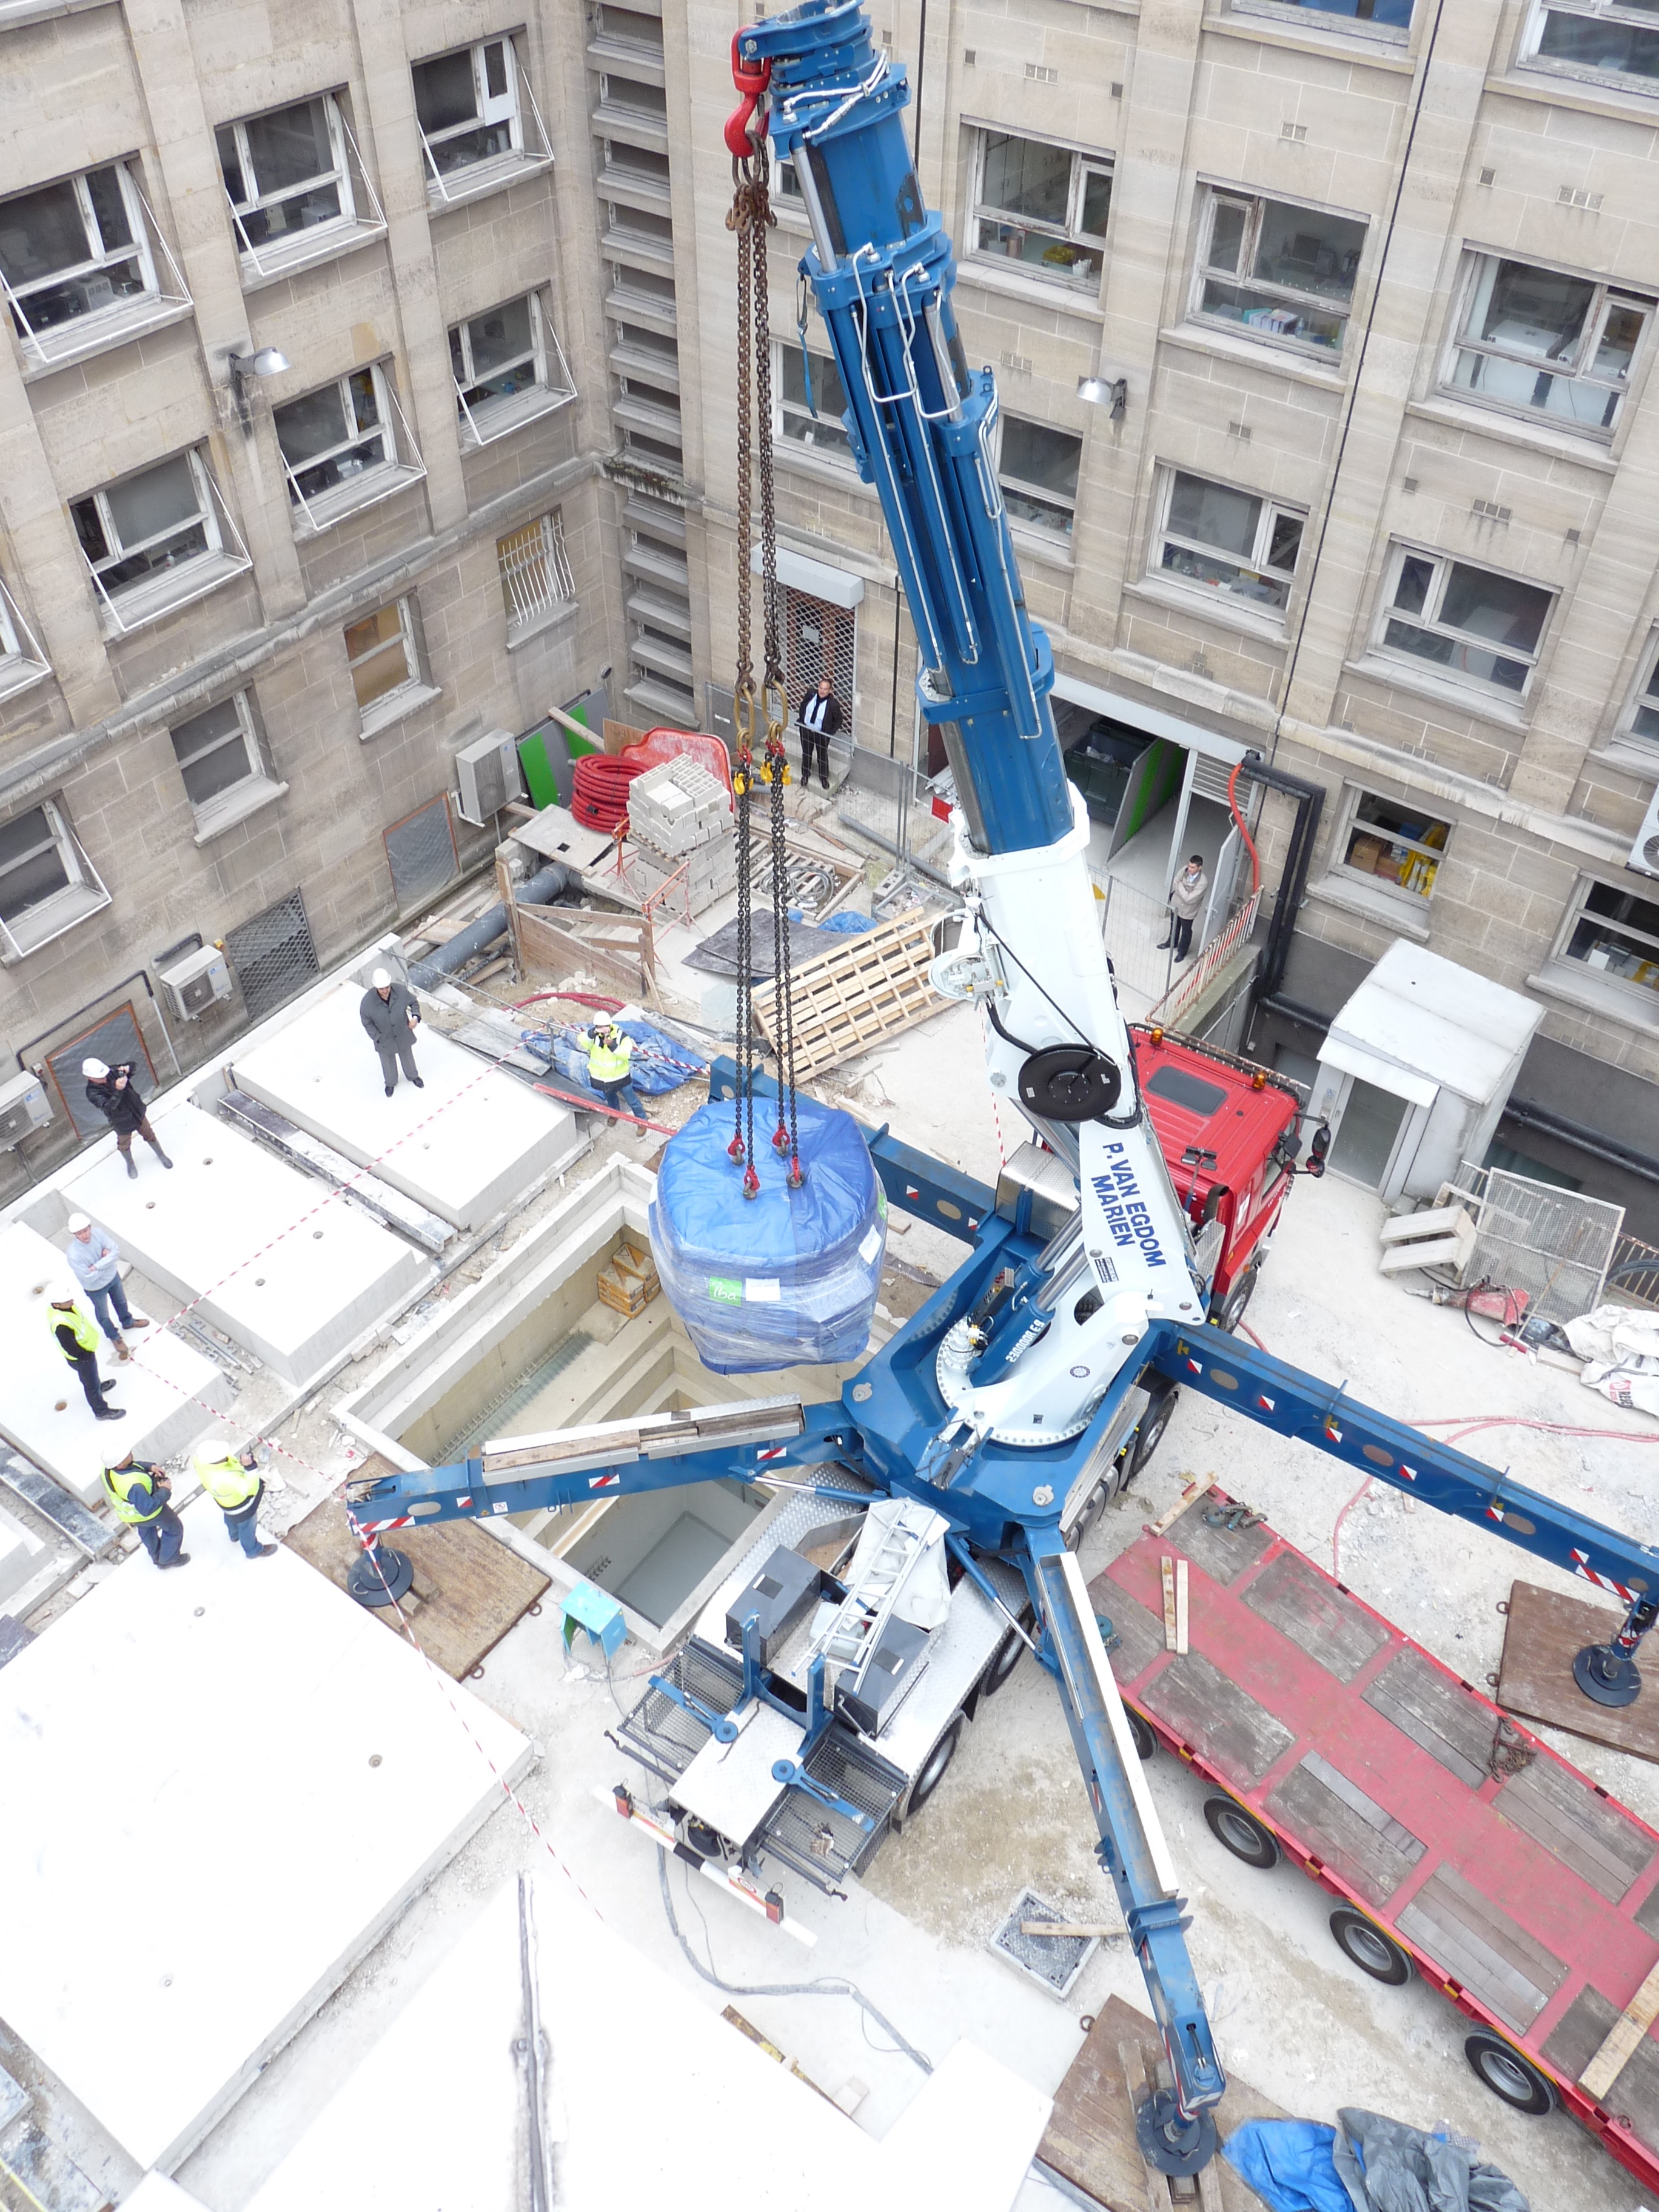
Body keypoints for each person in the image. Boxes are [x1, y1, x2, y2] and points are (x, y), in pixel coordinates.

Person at [65, 1212, 149, 1362]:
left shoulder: (98, 1234)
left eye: (85, 1231)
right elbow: (87, 1277)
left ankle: (128, 1322)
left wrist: (96, 1267)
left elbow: (115, 1251)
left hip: (113, 1278)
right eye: (79, 1233)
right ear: (74, 1234)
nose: (84, 1236)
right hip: (95, 1288)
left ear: (90, 1227)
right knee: (103, 1315)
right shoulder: (73, 1254)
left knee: (121, 1302)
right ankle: (114, 1336)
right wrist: (106, 1260)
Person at [83, 1059, 172, 1179]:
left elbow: (132, 1067)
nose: (104, 1078)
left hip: (136, 1111)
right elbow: (110, 1106)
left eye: (103, 1075)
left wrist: (128, 1068)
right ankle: (130, 1163)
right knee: (124, 1144)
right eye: (99, 1077)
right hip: (121, 1121)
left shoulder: (110, 1071)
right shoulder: (92, 1093)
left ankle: (161, 1155)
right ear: (90, 1077)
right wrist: (118, 1090)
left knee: (149, 1133)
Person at [47, 1287, 124, 1421]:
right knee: (91, 1385)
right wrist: (85, 1356)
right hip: (81, 1358)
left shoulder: (64, 1308)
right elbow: (70, 1346)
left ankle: (98, 1386)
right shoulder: (61, 1324)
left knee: (92, 1378)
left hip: (84, 1354)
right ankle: (101, 1411)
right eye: (67, 1300)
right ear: (57, 1304)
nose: (72, 1301)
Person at [102, 1450, 187, 1569]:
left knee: (147, 1532)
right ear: (119, 1465)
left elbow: (133, 1466)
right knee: (174, 1528)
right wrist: (165, 1490)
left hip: (133, 1515)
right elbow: (148, 1508)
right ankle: (168, 1560)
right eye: (127, 1455)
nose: (130, 1453)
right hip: (150, 1513)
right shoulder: (134, 1485)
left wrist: (150, 1467)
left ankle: (156, 1555)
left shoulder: (108, 1469)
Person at [193, 1443, 276, 1559]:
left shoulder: (199, 1461)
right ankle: (253, 1550)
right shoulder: (226, 1478)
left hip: (226, 1502)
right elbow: (251, 1489)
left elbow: (229, 1461)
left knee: (230, 1519)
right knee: (247, 1528)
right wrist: (250, 1468)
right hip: (241, 1507)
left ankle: (234, 1535)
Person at [360, 967, 424, 1096]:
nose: (385, 991)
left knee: (408, 1057)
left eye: (387, 988)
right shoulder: (367, 1002)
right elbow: (367, 1022)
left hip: (402, 1033)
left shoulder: (400, 991)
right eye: (381, 989)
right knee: (387, 1063)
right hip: (384, 1039)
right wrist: (378, 1037)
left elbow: (413, 1003)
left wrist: (415, 1017)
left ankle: (413, 1076)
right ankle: (390, 1083)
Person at [580, 1021, 645, 1124]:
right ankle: (614, 1114)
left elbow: (626, 1055)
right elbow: (583, 1041)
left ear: (610, 1025)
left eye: (605, 1026)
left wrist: (612, 1045)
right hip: (605, 1079)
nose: (604, 1030)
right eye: (600, 1027)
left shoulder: (621, 1037)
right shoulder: (595, 1037)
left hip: (622, 1078)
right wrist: (593, 1032)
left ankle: (642, 1122)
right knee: (611, 1100)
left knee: (632, 1101)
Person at [1159, 854, 1209, 964]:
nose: (1189, 869)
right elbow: (1175, 881)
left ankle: (1182, 952)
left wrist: (1180, 887)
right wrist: (1183, 890)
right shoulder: (1185, 870)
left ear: (1200, 868)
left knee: (1186, 931)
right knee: (1174, 925)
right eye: (1189, 866)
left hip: (1188, 911)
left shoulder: (1202, 882)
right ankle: (1171, 942)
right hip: (1176, 905)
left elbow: (1189, 899)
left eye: (1193, 867)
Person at [796, 676, 843, 791]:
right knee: (807, 753)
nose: (822, 691)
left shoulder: (833, 704)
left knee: (822, 756)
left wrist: (830, 732)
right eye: (821, 688)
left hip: (821, 734)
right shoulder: (811, 695)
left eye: (825, 689)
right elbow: (803, 706)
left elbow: (839, 720)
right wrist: (802, 719)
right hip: (807, 730)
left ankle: (823, 778)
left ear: (830, 690)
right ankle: (806, 774)